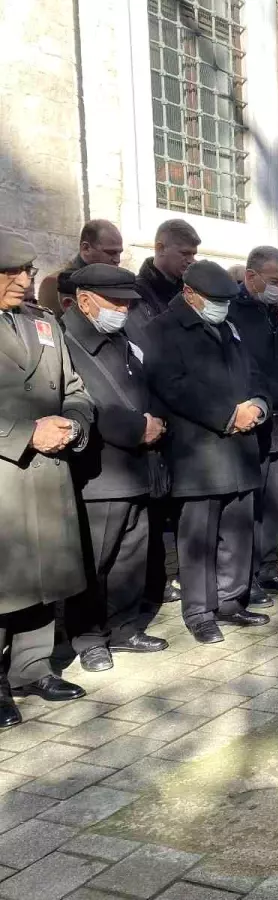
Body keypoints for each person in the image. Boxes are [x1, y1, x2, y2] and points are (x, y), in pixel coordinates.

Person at [143, 261, 271, 643]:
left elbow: (254, 375)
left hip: (241, 445)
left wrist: (259, 407)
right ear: (189, 293)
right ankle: (199, 610)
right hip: (197, 449)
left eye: (226, 301)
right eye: (215, 300)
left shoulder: (227, 327)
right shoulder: (162, 330)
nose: (222, 307)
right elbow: (172, 385)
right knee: (198, 535)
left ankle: (231, 599)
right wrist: (229, 415)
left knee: (237, 528)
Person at [0, 230, 92, 724]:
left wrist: (73, 423)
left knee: (42, 576)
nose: (23, 279)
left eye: (27, 270)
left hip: (48, 467)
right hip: (5, 473)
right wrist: (23, 433)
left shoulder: (43, 322)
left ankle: (33, 668)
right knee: (4, 579)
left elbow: (75, 387)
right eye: (11, 271)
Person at [62, 264, 171, 671]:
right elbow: (82, 402)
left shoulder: (120, 337)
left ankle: (124, 627)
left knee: (131, 553)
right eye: (117, 301)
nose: (124, 309)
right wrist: (138, 427)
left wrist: (155, 420)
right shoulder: (66, 339)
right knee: (96, 560)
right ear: (86, 299)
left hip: (138, 466)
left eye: (128, 301)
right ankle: (89, 636)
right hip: (100, 471)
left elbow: (147, 384)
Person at [230, 246, 278, 604]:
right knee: (251, 505)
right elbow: (247, 367)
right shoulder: (234, 313)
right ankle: (245, 577)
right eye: (275, 281)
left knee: (275, 504)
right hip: (255, 420)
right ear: (251, 277)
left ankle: (268, 566)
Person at [129, 219, 200, 347]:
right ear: (160, 249)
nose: (191, 261)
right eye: (185, 253)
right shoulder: (136, 293)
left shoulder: (190, 291)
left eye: (193, 254)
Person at [37, 219, 124, 317]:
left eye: (119, 253)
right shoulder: (53, 283)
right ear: (86, 248)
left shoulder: (115, 283)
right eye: (110, 253)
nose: (117, 260)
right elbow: (53, 328)